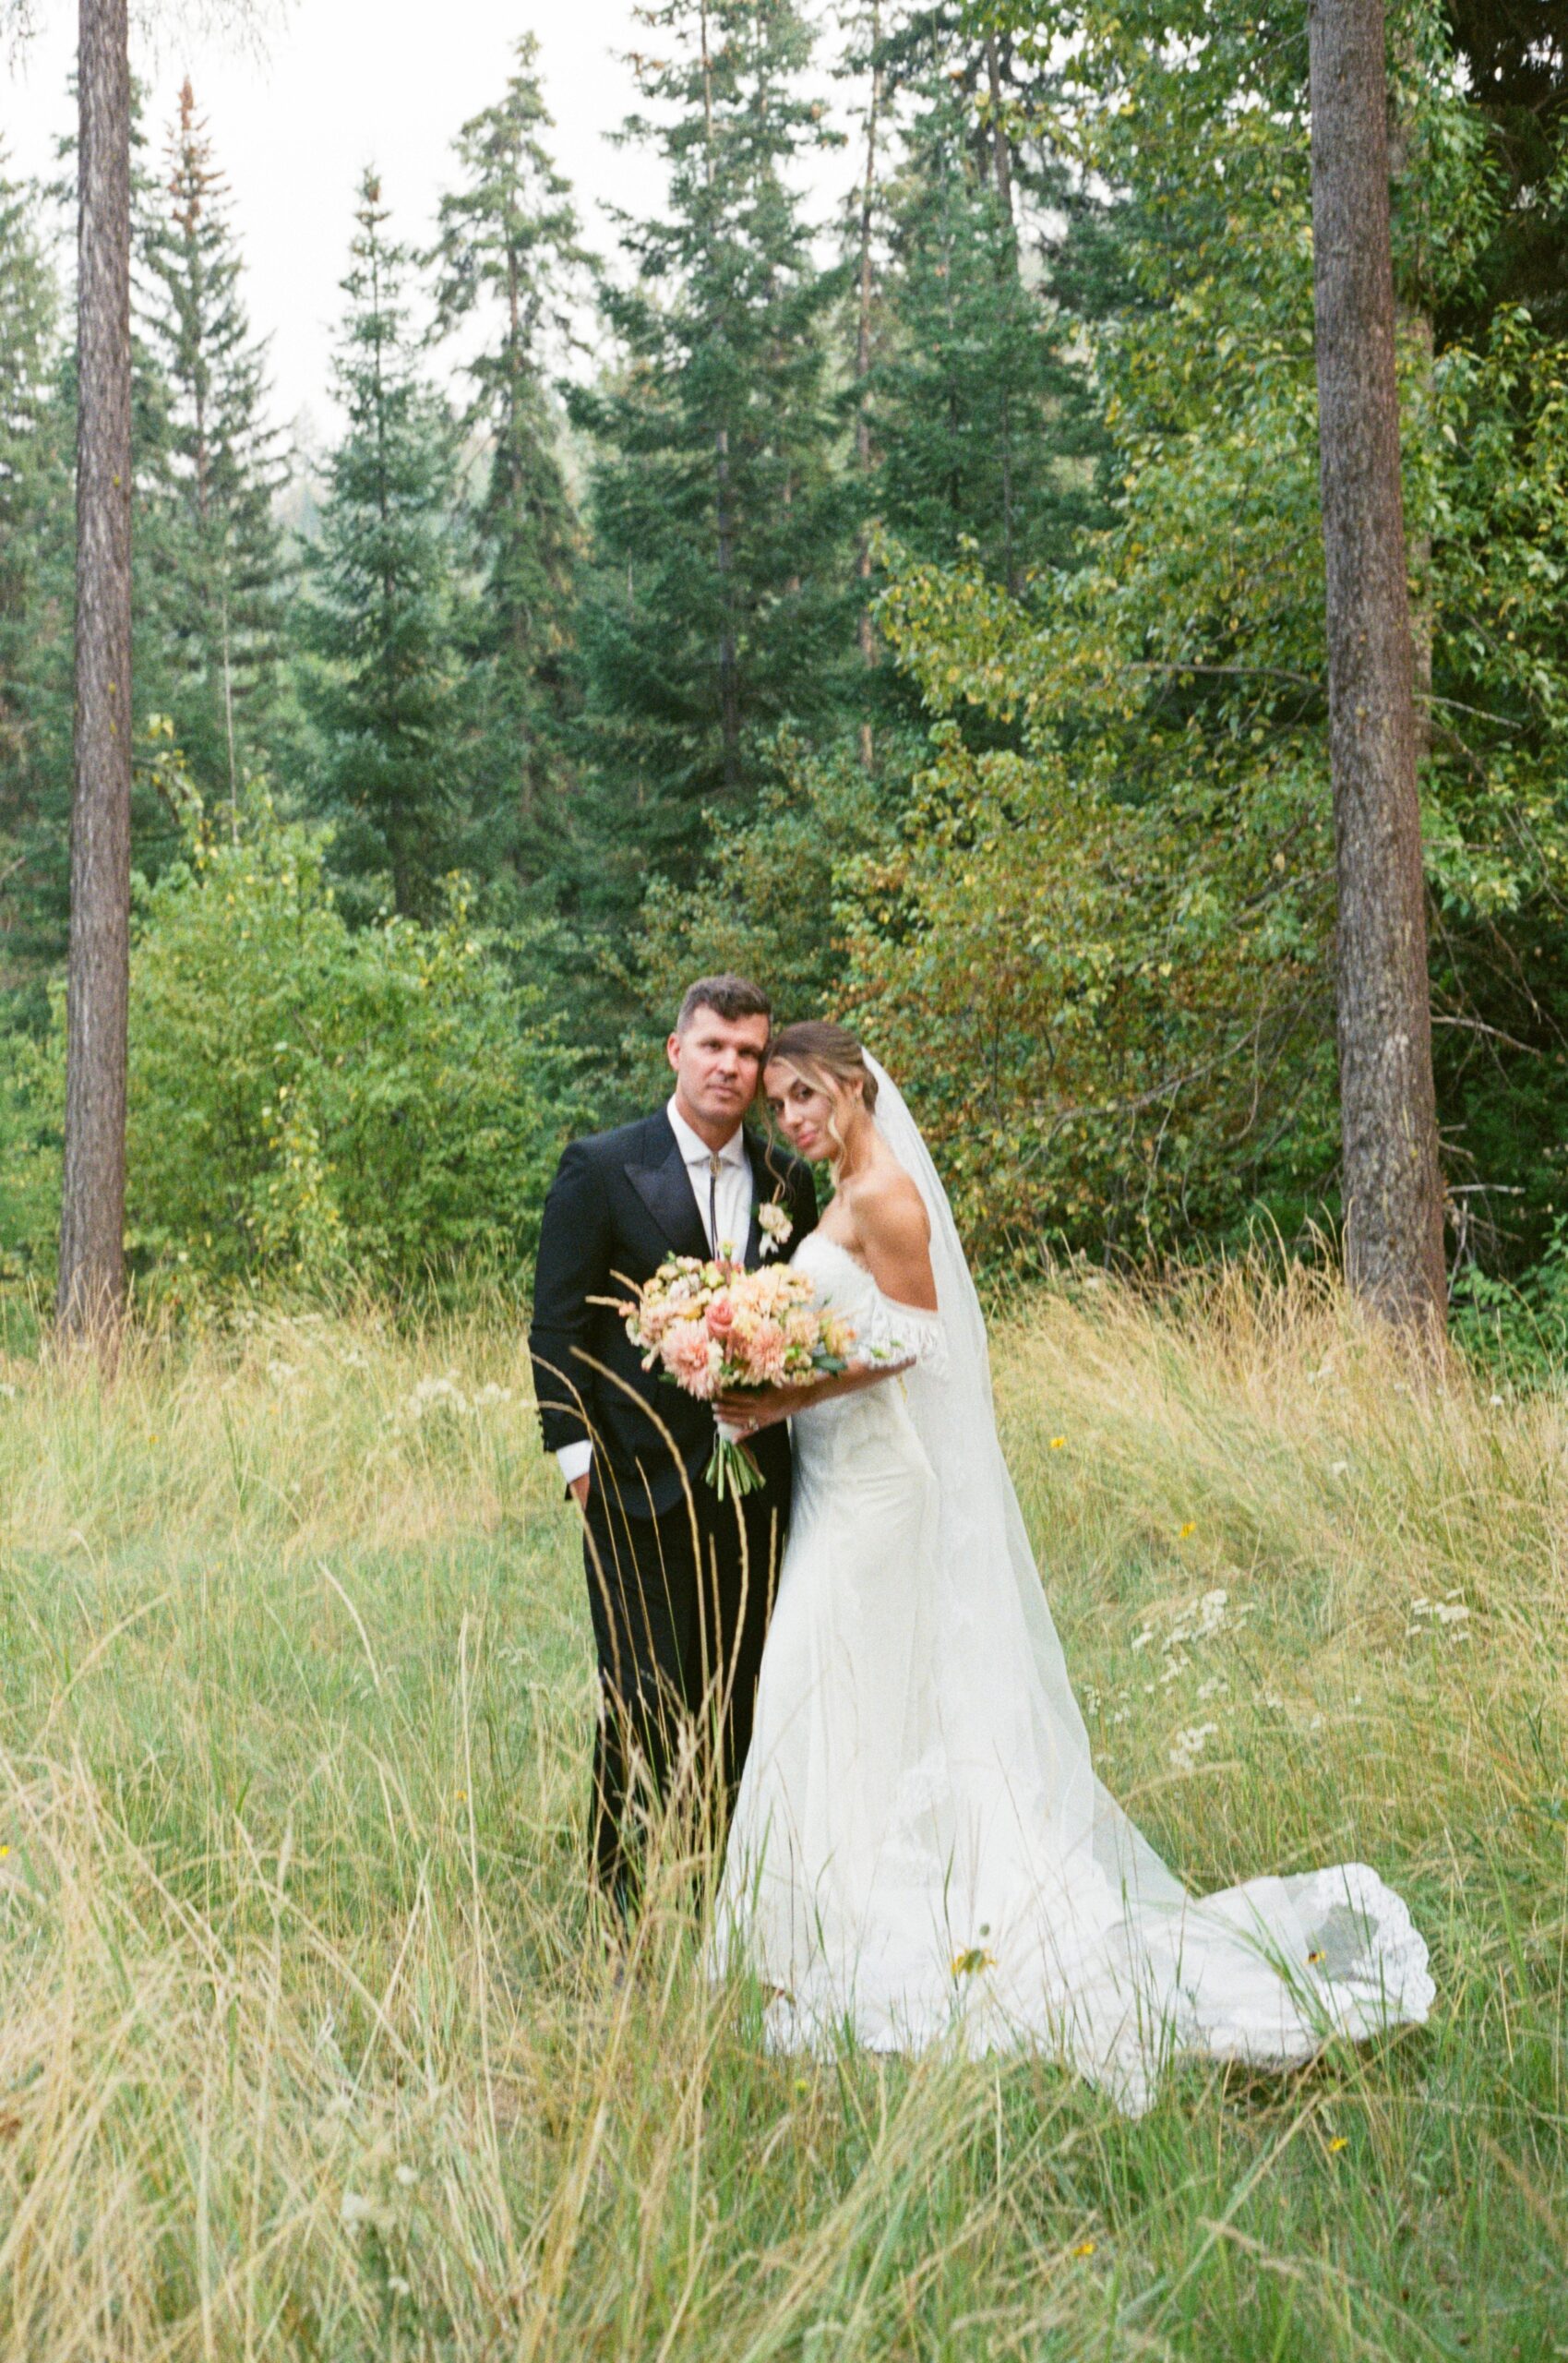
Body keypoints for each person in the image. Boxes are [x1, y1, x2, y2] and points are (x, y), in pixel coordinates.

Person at [710, 1021, 1433, 2117]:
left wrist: (785, 1393)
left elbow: (922, 1346)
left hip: (877, 1487)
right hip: (834, 1479)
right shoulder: (840, 1191)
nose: (789, 1119)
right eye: (778, 1105)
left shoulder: (887, 1195)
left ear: (853, 1086)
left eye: (803, 1095)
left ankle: (850, 1930)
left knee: (825, 1677)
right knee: (843, 1691)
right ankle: (818, 1926)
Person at [528, 977, 819, 1916]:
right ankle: (620, 1906)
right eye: (713, 1047)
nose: (730, 1066)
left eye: (748, 1052)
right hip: (629, 1487)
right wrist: (576, 1462)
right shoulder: (603, 1167)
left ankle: (725, 1902)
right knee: (640, 1699)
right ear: (675, 1051)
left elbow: (804, 1321)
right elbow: (557, 1325)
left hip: (756, 1493)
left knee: (739, 1697)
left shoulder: (787, 1180)